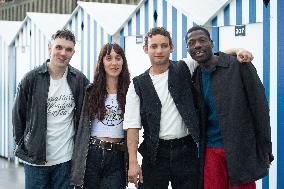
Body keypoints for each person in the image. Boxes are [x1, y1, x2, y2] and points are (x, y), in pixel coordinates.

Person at [124, 27, 254, 189]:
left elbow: (211, 57)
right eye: (154, 46)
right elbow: (132, 126)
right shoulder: (137, 84)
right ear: (145, 49)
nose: (159, 50)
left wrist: (238, 50)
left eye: (164, 45)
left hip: (186, 151)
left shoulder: (185, 66)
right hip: (155, 154)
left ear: (171, 48)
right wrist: (133, 162)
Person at [186, 25, 273, 189]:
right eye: (191, 42)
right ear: (188, 49)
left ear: (212, 43)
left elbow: (260, 109)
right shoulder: (194, 74)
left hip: (240, 149)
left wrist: (265, 149)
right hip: (210, 151)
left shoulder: (240, 65)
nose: (197, 45)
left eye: (202, 40)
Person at [12, 29, 89, 189]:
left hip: (66, 162)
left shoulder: (78, 80)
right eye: (58, 47)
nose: (63, 53)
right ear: (49, 48)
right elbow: (18, 117)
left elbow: (87, 112)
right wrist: (27, 146)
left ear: (73, 52)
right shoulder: (31, 79)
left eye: (68, 49)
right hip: (35, 161)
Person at [70, 43, 130, 189]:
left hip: (118, 156)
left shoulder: (131, 92)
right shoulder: (90, 91)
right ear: (102, 62)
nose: (114, 63)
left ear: (123, 61)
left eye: (118, 58)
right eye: (109, 58)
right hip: (91, 154)